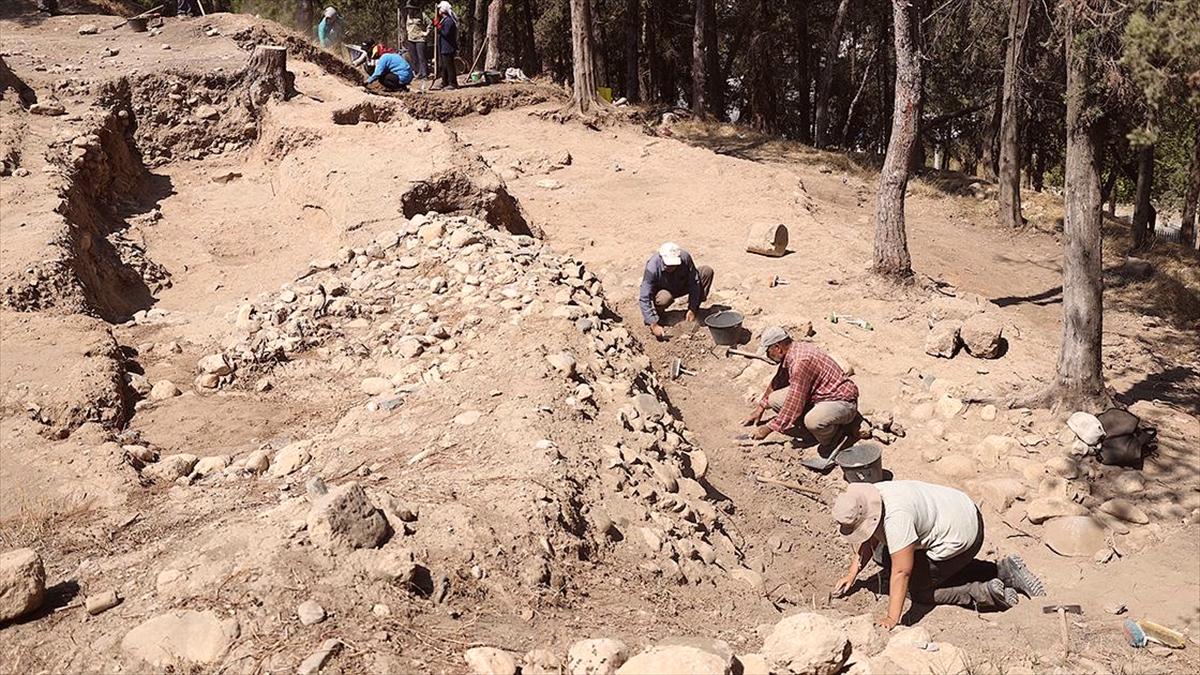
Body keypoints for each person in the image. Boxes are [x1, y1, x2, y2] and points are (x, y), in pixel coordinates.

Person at [831, 481, 1046, 628]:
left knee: (916, 589)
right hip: (963, 511)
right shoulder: (874, 495)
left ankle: (985, 593)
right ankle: (1004, 570)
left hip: (964, 536)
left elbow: (902, 572)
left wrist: (891, 617)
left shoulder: (896, 518)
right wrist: (852, 573)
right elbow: (870, 535)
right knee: (883, 555)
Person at [742, 327, 858, 453]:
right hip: (819, 396)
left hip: (842, 402)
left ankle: (834, 438)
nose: (768, 356)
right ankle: (816, 428)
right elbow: (779, 380)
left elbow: (794, 404)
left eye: (769, 352)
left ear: (777, 347)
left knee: (813, 421)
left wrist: (768, 428)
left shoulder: (800, 362)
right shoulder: (793, 351)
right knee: (774, 399)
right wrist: (760, 408)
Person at [637, 242, 714, 339]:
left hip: (680, 285)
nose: (671, 268)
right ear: (662, 259)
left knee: (706, 272)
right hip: (663, 291)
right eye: (668, 265)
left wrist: (693, 308)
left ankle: (693, 313)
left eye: (674, 265)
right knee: (665, 298)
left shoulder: (685, 257)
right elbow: (644, 297)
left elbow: (695, 282)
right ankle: (659, 315)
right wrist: (652, 323)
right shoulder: (652, 267)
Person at [432, 1, 458, 90]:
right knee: (444, 66)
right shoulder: (444, 20)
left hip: (448, 47)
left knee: (449, 66)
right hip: (443, 47)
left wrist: (439, 26)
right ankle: (445, 82)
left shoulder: (449, 21)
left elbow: (446, 33)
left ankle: (453, 83)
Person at [405, 3, 430, 79]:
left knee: (421, 57)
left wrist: (426, 33)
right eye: (408, 9)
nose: (409, 10)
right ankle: (418, 72)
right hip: (411, 39)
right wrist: (408, 32)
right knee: (414, 57)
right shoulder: (408, 16)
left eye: (410, 8)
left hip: (420, 39)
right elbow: (407, 25)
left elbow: (430, 23)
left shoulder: (422, 15)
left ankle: (425, 74)